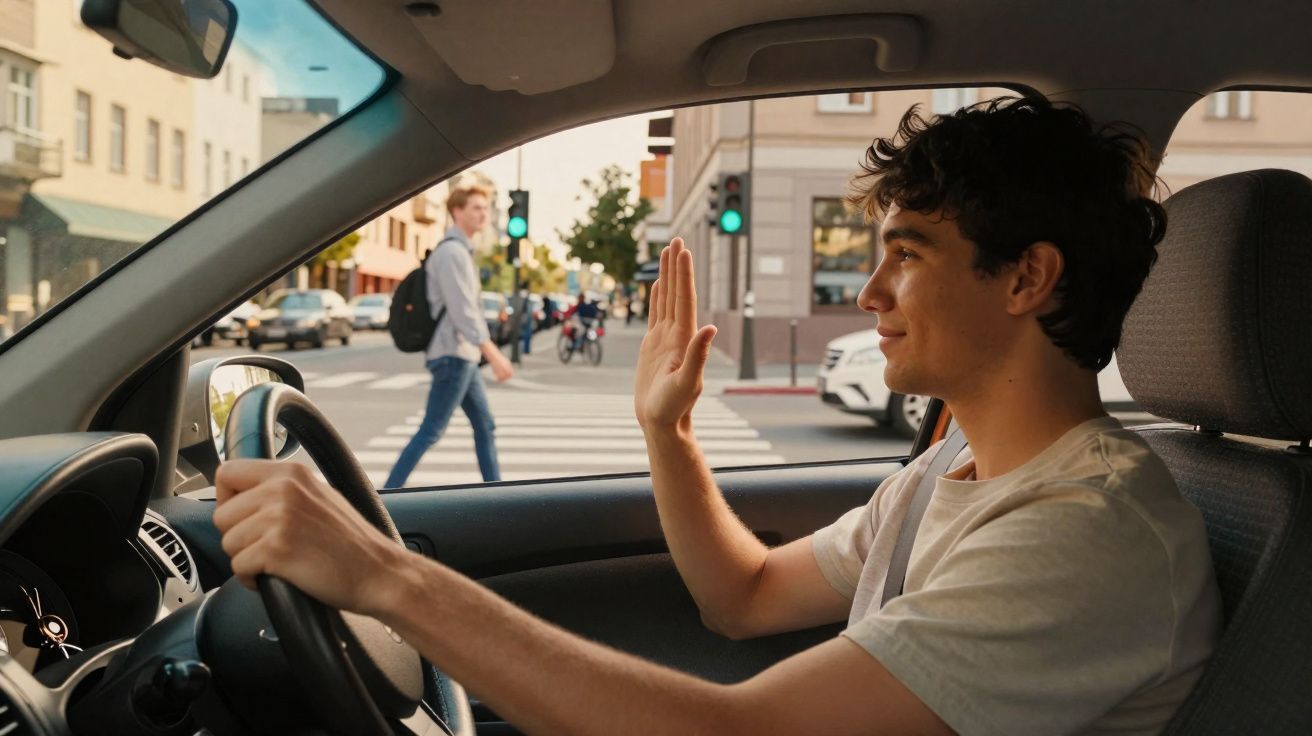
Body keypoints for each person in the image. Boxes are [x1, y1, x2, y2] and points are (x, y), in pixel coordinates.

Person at [214, 97, 1221, 735]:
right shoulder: (947, 474)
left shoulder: (1086, 534)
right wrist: (669, 429)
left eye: (906, 253)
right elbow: (740, 597)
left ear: (1027, 279)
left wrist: (386, 577)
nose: (869, 292)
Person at [384, 185, 513, 488]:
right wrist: (493, 354)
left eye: (485, 208)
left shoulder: (458, 252)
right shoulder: (453, 253)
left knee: (485, 425)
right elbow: (463, 311)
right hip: (453, 355)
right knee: (432, 429)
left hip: (461, 355)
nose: (484, 213)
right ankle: (386, 495)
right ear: (457, 211)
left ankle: (495, 492)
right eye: (476, 208)